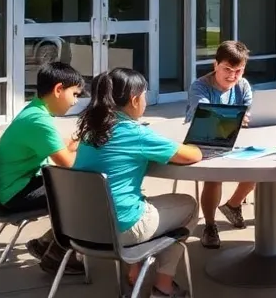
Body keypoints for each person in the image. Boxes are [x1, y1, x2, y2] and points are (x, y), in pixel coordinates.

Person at [74, 68, 201, 298]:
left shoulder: (91, 130)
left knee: (132, 198)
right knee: (189, 206)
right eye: (144, 95)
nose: (145, 100)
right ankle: (163, 286)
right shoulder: (136, 133)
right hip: (121, 230)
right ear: (134, 100)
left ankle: (136, 268)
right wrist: (200, 145)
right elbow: (192, 156)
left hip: (83, 226)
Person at [0, 63, 85, 276]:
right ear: (59, 90)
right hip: (14, 194)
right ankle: (55, 256)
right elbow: (68, 163)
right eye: (75, 94)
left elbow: (58, 147)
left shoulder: (34, 110)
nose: (76, 101)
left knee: (68, 188)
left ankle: (45, 243)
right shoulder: (39, 121)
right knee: (82, 195)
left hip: (9, 187)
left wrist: (79, 141)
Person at [186, 40, 256, 248]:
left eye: (238, 71)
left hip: (236, 140)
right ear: (215, 65)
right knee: (214, 177)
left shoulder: (242, 85)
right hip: (204, 141)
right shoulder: (200, 87)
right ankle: (210, 225)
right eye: (227, 69)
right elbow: (208, 115)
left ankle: (233, 205)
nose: (232, 76)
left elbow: (248, 112)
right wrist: (233, 119)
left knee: (260, 167)